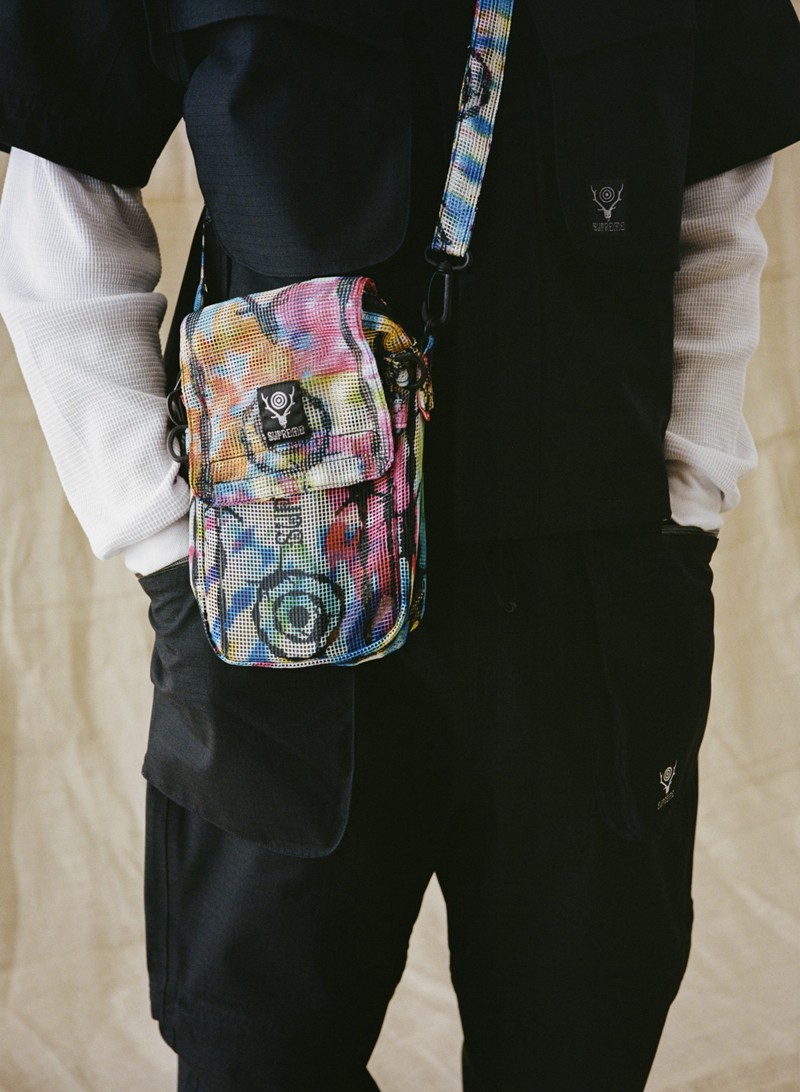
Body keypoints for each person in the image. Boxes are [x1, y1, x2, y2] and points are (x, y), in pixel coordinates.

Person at [1, 2, 800, 1088]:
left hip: (592, 620)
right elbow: (65, 191)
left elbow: (716, 204)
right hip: (281, 611)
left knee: (580, 1047)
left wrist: (683, 511)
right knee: (256, 1056)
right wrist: (165, 546)